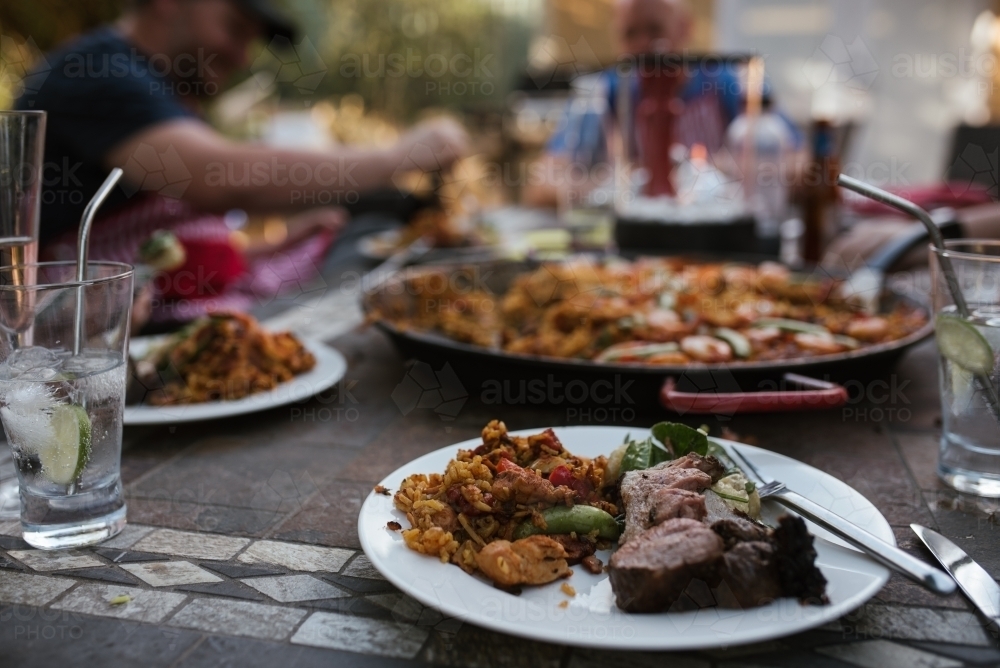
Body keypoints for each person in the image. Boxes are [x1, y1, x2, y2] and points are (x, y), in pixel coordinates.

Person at [16, 0, 468, 324]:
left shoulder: (165, 86)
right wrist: (399, 155)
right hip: (81, 332)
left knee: (381, 220)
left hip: (167, 299)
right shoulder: (98, 74)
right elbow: (223, 176)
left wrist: (262, 250)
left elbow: (164, 244)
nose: (242, 55)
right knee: (376, 225)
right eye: (233, 28)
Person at [522, 0, 795, 209]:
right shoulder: (602, 93)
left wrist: (714, 173)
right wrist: (624, 184)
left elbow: (799, 164)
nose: (644, 45)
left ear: (685, 28)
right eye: (631, 34)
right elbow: (541, 186)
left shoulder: (732, 82)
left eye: (655, 30)